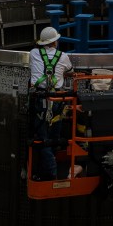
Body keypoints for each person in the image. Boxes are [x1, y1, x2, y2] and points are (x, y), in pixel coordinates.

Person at [29, 26, 75, 180]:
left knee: (42, 137)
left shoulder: (34, 53)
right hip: (57, 100)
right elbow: (70, 69)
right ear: (55, 42)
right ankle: (51, 169)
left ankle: (49, 171)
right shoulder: (63, 56)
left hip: (40, 100)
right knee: (54, 135)